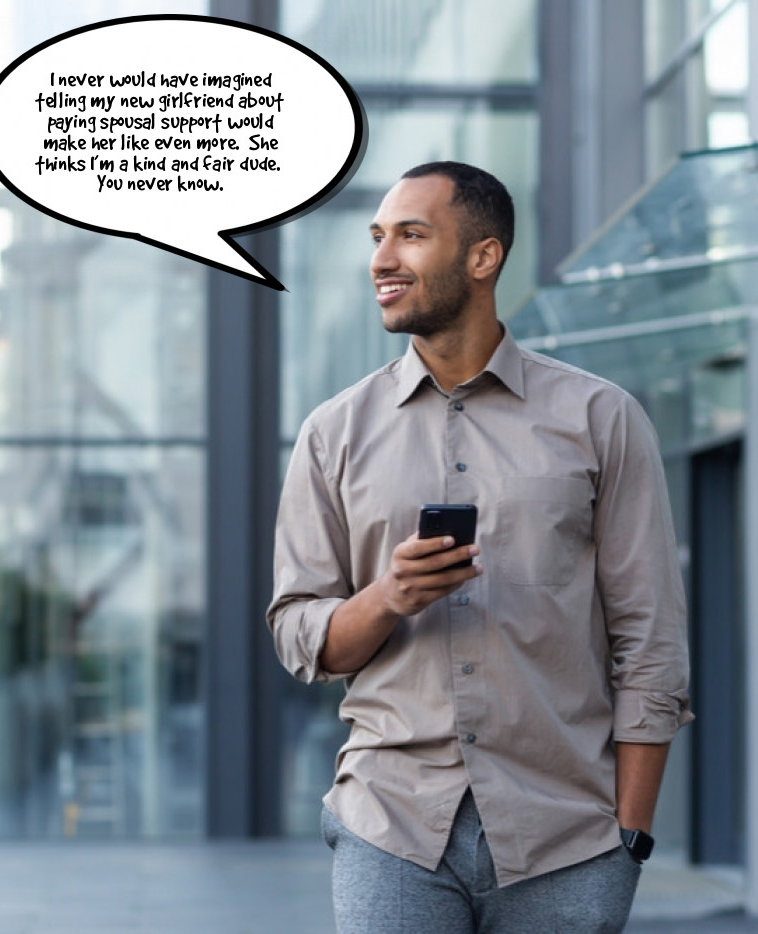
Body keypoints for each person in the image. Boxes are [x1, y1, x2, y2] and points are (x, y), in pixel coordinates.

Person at [267, 161, 692, 933]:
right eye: (377, 237)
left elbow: (650, 639)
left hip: (566, 837)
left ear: (483, 257)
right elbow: (300, 637)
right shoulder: (334, 432)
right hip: (391, 824)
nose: (382, 259)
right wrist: (388, 597)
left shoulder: (601, 419)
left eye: (411, 235)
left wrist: (629, 837)